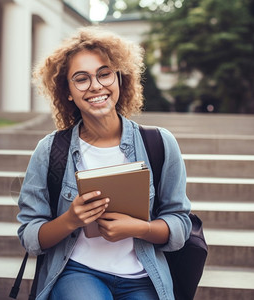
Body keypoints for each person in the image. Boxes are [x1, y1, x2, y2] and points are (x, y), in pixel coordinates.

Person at [17, 27, 191, 300]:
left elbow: (180, 223)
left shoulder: (160, 143)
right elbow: (30, 235)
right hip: (77, 271)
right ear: (68, 92)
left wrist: (139, 228)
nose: (96, 85)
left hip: (144, 277)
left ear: (120, 79)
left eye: (104, 73)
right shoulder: (50, 150)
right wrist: (70, 220)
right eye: (81, 79)